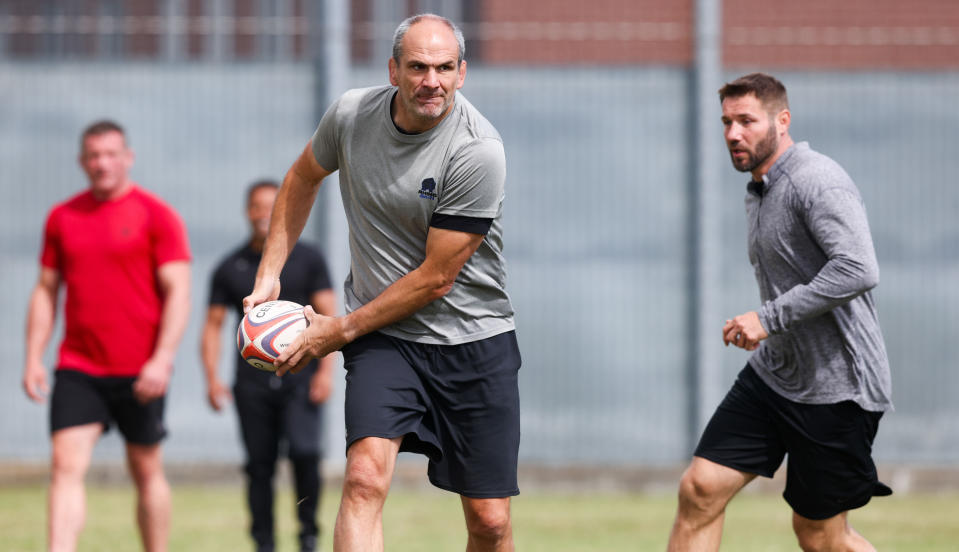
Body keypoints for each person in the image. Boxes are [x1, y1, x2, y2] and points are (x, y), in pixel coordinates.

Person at [242, 13, 521, 552]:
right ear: (393, 70)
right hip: (386, 338)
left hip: (473, 339)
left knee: (489, 522)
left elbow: (436, 278)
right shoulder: (351, 114)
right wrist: (269, 273)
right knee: (365, 477)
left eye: (444, 68)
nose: (431, 82)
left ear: (462, 73)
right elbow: (302, 176)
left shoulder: (477, 151)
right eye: (417, 67)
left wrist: (339, 330)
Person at [667, 73, 893, 551]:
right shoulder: (762, 188)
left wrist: (767, 319)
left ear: (782, 120)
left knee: (819, 534)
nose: (733, 133)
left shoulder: (816, 180)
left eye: (746, 121)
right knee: (701, 489)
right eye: (726, 122)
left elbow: (858, 268)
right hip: (776, 377)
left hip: (838, 388)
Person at [22, 120, 191, 552]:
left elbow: (179, 292)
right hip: (79, 366)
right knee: (64, 467)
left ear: (127, 158)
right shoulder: (62, 217)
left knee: (146, 468)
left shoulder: (156, 215)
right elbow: (45, 290)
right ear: (82, 162)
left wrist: (163, 359)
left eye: (111, 154)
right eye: (94, 156)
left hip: (141, 370)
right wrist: (32, 357)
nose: (102, 164)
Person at [201, 180, 336, 552]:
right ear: (248, 211)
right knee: (259, 465)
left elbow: (328, 314)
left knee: (305, 454)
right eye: (257, 206)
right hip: (252, 385)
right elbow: (212, 327)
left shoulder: (309, 258)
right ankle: (264, 543)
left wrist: (325, 371)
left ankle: (308, 535)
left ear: (280, 211)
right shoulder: (230, 266)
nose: (263, 213)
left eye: (270, 206)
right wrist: (212, 378)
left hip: (301, 377)